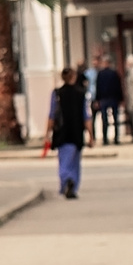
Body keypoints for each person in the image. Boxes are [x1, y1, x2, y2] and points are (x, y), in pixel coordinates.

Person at [47, 66, 87, 198]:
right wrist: (91, 135)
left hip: (61, 132)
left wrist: (47, 134)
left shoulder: (57, 94)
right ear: (74, 77)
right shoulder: (81, 93)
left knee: (63, 160)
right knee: (75, 161)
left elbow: (52, 115)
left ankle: (66, 180)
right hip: (76, 131)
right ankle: (73, 184)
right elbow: (86, 116)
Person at [93, 56, 125, 145]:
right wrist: (121, 99)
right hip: (113, 98)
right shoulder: (114, 73)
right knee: (115, 118)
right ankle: (116, 138)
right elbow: (119, 87)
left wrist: (97, 100)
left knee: (105, 119)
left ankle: (105, 139)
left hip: (104, 99)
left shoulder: (100, 74)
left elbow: (98, 88)